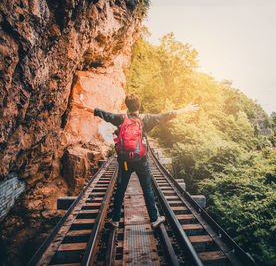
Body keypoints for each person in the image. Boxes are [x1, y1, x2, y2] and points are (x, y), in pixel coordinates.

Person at [72, 94, 199, 228]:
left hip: (125, 161)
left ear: (127, 106)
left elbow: (103, 114)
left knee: (120, 189)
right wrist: (185, 110)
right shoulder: (146, 119)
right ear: (139, 105)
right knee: (147, 188)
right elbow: (165, 116)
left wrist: (84, 107)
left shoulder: (120, 118)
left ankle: (115, 220)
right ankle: (154, 219)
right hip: (141, 160)